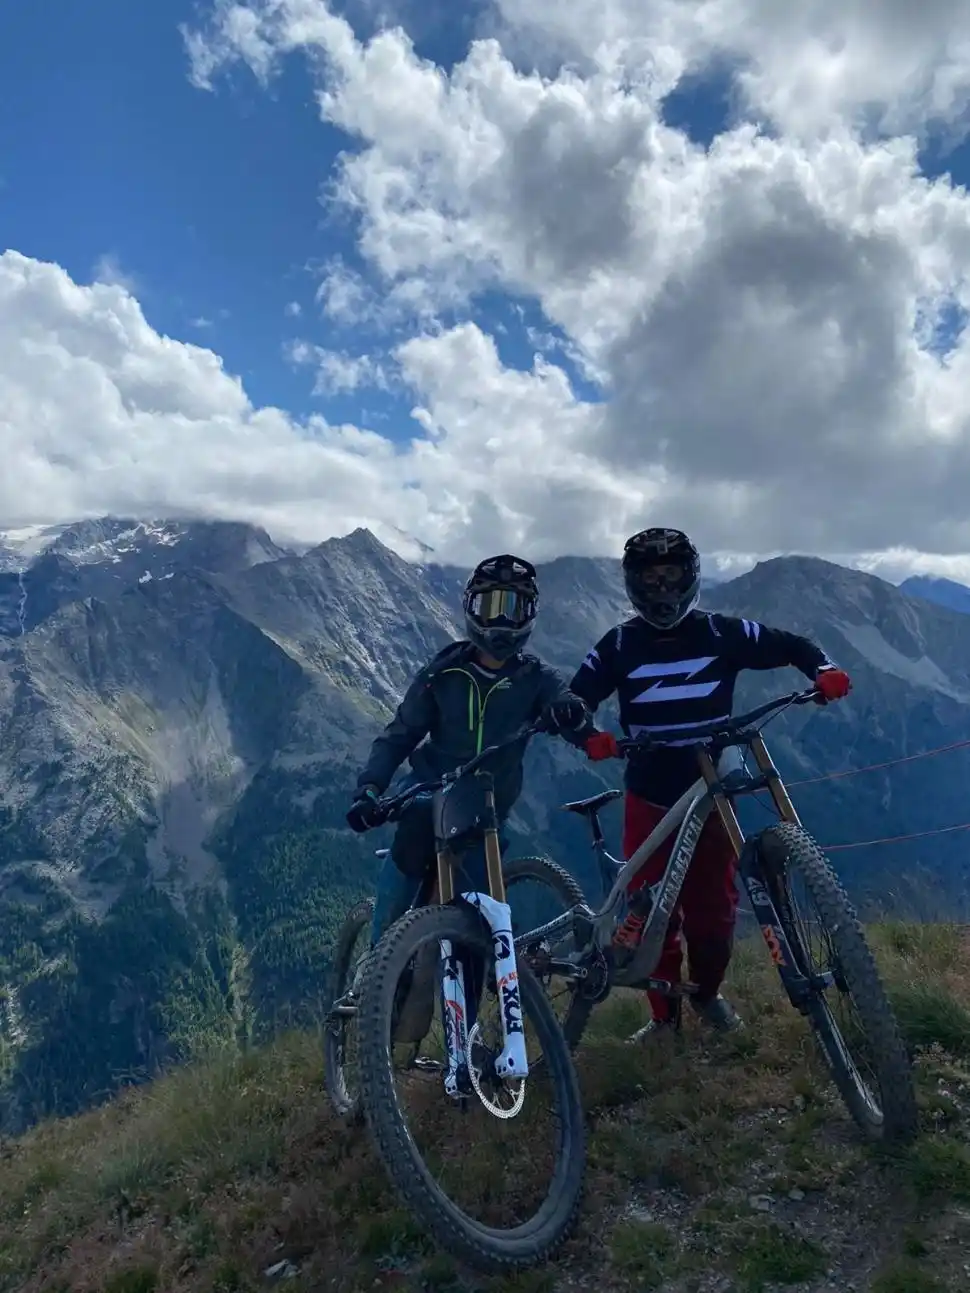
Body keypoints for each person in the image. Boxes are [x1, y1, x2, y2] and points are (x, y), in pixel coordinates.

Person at [569, 527, 852, 1039]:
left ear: (690, 576)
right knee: (652, 910)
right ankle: (663, 1020)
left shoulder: (722, 633)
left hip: (710, 792)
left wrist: (824, 668)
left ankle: (706, 995)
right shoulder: (618, 644)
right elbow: (576, 699)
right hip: (649, 793)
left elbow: (791, 646)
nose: (661, 589)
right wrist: (588, 735)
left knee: (715, 911)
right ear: (633, 584)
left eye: (671, 575)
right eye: (649, 579)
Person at [346, 554, 592, 946]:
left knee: (476, 938)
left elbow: (570, 711)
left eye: (513, 609)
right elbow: (399, 735)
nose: (500, 621)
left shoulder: (537, 677)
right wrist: (370, 789)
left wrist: (575, 715)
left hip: (486, 811)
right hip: (429, 795)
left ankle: (467, 999)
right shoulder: (442, 673)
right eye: (490, 607)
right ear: (471, 608)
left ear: (528, 615)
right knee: (410, 843)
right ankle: (375, 969)